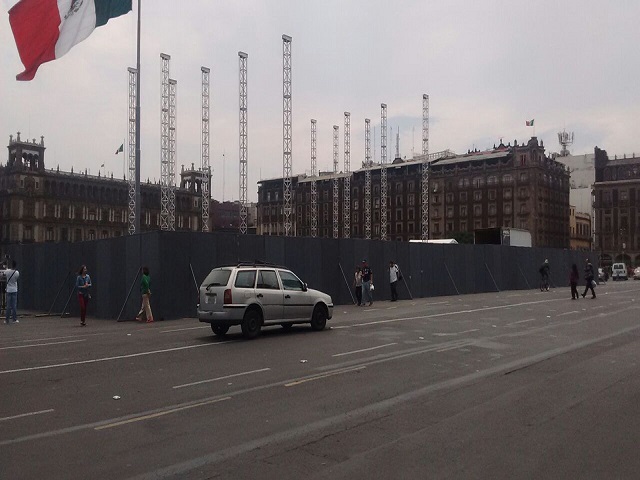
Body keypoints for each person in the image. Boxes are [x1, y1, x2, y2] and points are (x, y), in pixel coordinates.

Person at [4, 260, 19, 324]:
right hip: (14, 290)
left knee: (8, 306)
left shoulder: (7, 271)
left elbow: (4, 273)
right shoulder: (17, 273)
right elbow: (16, 279)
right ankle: (14, 319)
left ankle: (6, 320)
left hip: (9, 290)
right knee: (14, 305)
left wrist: (6, 268)